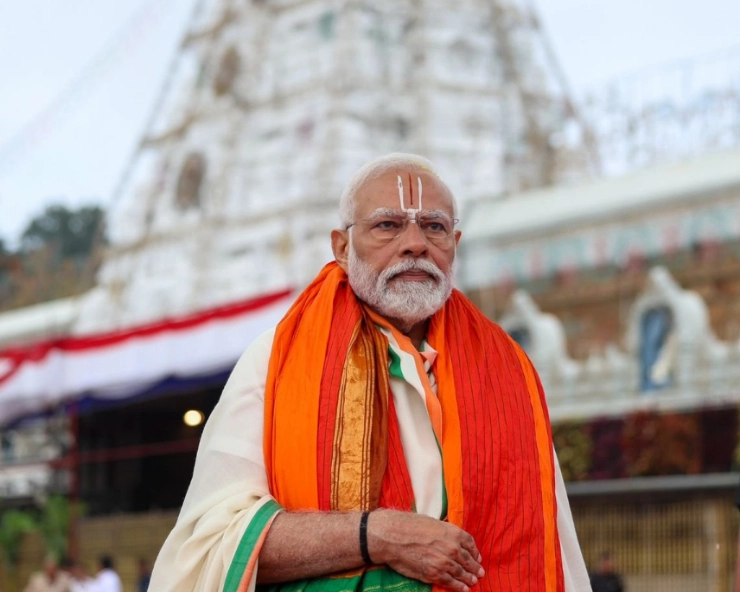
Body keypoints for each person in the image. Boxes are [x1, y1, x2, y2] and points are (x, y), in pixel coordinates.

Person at [149, 153, 591, 592]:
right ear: (342, 247)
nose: (415, 243)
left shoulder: (508, 370)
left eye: (434, 227)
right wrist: (373, 536)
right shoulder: (276, 362)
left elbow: (554, 550)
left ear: (455, 242)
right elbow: (212, 548)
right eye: (388, 225)